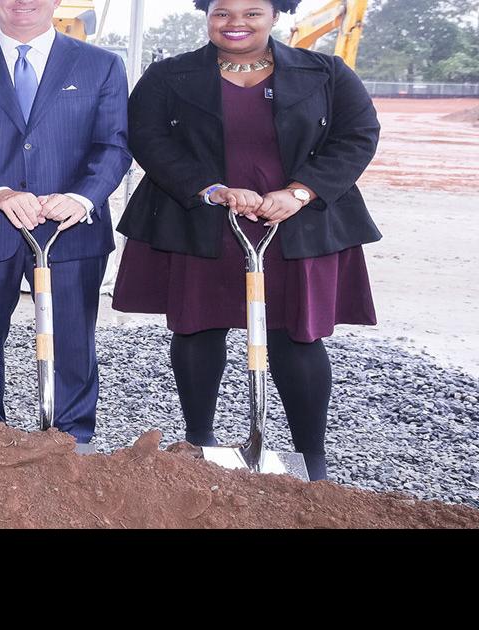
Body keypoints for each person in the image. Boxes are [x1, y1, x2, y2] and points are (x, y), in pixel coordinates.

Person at [112, 0, 381, 481]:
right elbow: (147, 137)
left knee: (297, 336)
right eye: (222, 12)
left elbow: (358, 135)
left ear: (275, 16)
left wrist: (300, 192)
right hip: (204, 216)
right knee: (197, 327)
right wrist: (209, 188)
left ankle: (310, 459)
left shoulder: (327, 72)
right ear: (207, 16)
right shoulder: (168, 75)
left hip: (295, 221)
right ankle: (200, 441)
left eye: (252, 12)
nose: (235, 22)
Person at [0, 0, 131, 444]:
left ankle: (71, 441)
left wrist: (82, 197)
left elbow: (113, 145)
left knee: (73, 343)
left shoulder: (102, 65)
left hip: (70, 230)